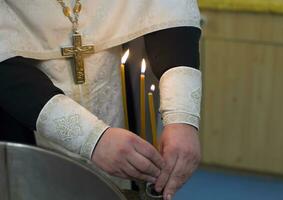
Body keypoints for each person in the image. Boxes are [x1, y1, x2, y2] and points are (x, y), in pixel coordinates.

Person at [0, 1, 202, 199]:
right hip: (19, 121)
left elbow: (167, 14)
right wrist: (91, 137)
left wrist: (182, 116)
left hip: (123, 89)